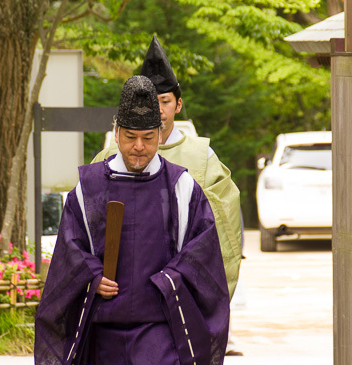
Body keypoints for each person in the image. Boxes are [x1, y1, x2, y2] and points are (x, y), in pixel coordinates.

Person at [34, 75, 230, 365]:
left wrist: (170, 280)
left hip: (161, 314)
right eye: (130, 137)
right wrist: (89, 276)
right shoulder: (88, 188)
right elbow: (70, 248)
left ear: (161, 135)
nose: (139, 148)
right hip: (108, 316)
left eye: (148, 138)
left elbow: (202, 249)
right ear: (115, 132)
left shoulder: (180, 187)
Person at [93, 35, 242, 301]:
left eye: (165, 101)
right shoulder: (109, 157)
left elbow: (223, 226)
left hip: (178, 287)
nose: (158, 110)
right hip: (115, 288)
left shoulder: (202, 157)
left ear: (179, 105)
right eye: (152, 102)